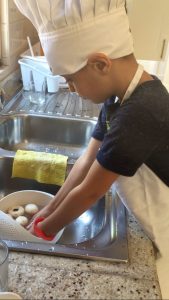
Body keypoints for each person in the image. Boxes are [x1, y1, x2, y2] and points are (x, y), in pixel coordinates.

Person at [14, 1, 169, 296]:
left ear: (100, 64)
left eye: (71, 79)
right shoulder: (119, 99)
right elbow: (87, 161)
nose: (72, 89)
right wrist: (48, 210)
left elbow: (90, 191)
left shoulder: (142, 110)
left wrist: (41, 232)